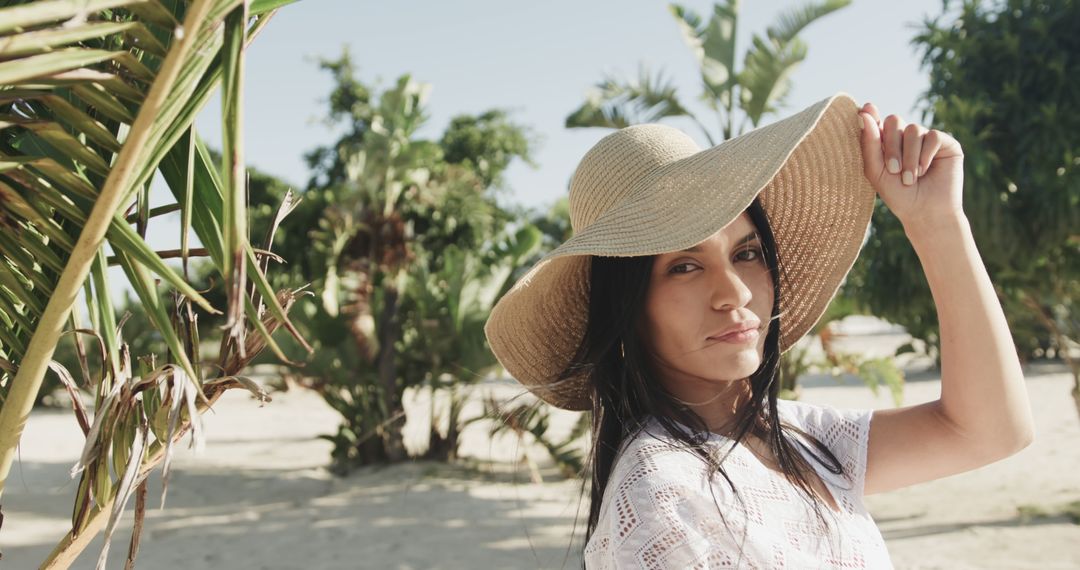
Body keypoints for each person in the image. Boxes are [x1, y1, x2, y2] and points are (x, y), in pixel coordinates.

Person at [483, 92, 1035, 569]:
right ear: (626, 310)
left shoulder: (796, 437)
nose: (736, 293)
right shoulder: (661, 495)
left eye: (746, 253)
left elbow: (988, 431)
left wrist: (937, 222)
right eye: (684, 265)